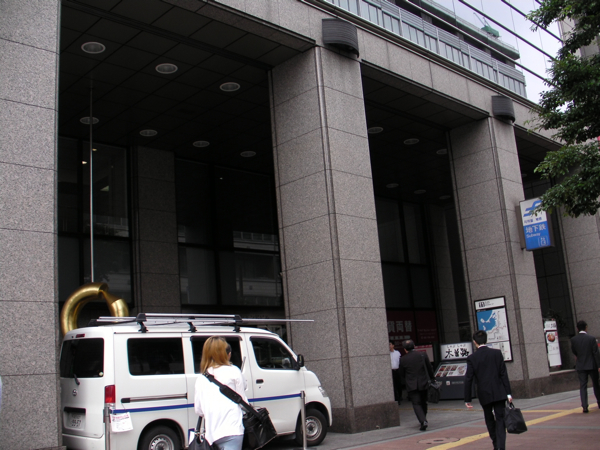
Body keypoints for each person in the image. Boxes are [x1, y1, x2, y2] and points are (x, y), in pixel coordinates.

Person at [194, 337, 248, 450]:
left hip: (212, 434)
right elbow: (243, 403)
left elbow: (198, 410)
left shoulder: (201, 379)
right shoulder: (234, 371)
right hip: (233, 429)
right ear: (225, 354)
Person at [464, 330, 512, 450]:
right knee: (500, 419)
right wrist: (508, 393)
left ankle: (495, 443)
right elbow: (503, 374)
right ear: (486, 340)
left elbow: (468, 379)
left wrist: (467, 399)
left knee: (489, 418)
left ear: (475, 342)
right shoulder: (496, 353)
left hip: (484, 393)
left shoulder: (472, 358)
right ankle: (501, 446)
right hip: (499, 392)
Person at [399, 339, 434, 431]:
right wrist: (432, 379)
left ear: (405, 349)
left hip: (411, 384)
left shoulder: (403, 359)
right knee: (423, 402)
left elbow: (402, 373)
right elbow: (429, 368)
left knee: (416, 403)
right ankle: (424, 418)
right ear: (414, 346)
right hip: (423, 382)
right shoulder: (422, 355)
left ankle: (423, 421)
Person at [570, 320, 600, 413]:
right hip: (592, 365)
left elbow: (574, 351)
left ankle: (584, 406)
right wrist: (599, 365)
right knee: (596, 384)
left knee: (583, 385)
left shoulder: (573, 340)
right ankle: (599, 402)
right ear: (586, 327)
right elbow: (596, 353)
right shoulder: (591, 338)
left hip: (581, 365)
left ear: (577, 329)